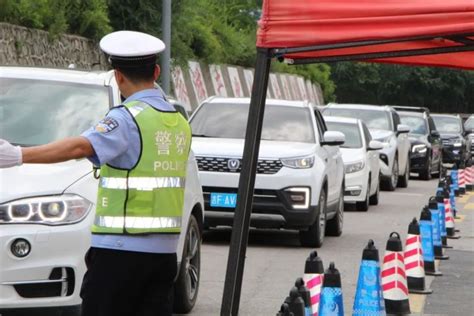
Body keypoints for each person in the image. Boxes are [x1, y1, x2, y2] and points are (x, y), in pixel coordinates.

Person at [0, 30, 191, 316]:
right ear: (156, 71)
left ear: (118, 76)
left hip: (120, 253)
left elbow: (81, 146)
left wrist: (18, 155)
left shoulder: (127, 118)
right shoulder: (177, 122)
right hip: (164, 254)